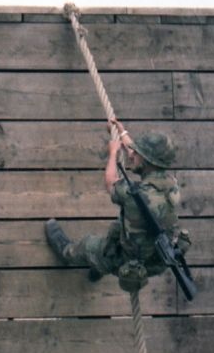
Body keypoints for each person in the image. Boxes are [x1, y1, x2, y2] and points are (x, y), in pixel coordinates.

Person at [44, 122, 191, 293]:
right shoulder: (170, 183)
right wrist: (122, 133)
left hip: (130, 264)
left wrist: (113, 153)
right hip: (158, 261)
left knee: (87, 245)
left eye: (137, 153)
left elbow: (111, 182)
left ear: (147, 161)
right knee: (118, 226)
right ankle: (99, 267)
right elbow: (138, 157)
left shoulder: (137, 196)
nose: (132, 154)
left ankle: (67, 253)